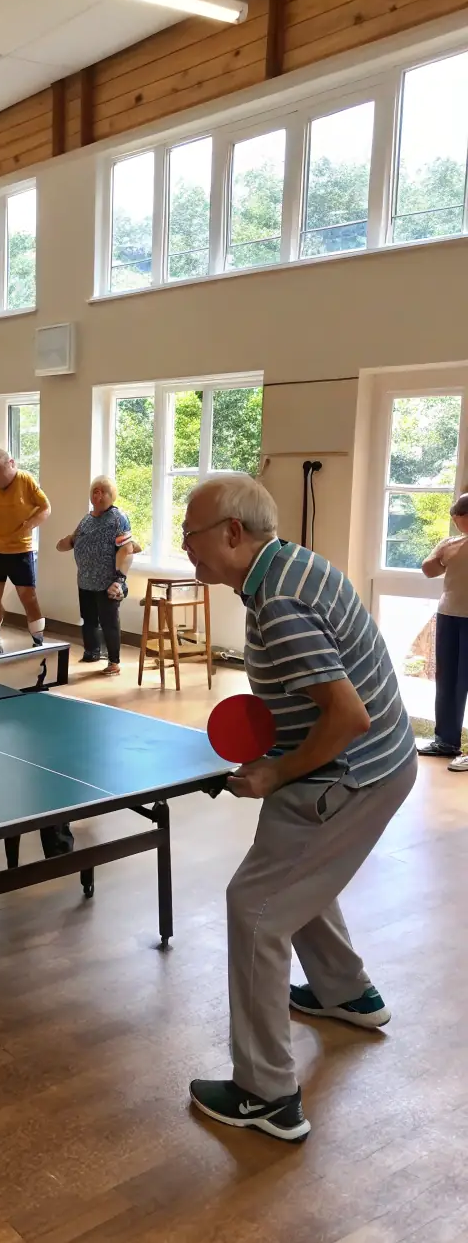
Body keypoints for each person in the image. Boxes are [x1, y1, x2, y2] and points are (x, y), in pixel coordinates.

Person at [180, 475, 417, 1143]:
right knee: (295, 874)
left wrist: (278, 771)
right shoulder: (288, 567)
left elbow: (348, 716)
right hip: (380, 764)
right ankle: (347, 992)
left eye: (192, 535)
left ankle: (267, 1093)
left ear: (232, 531)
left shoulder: (280, 600)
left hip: (351, 773)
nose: (186, 548)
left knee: (255, 908)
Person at [0, 449, 51, 656]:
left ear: (10, 464)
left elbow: (45, 507)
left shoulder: (26, 480)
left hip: (20, 550)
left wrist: (30, 524)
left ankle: (38, 639)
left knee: (28, 596)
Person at [56, 475, 134, 676]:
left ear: (112, 495)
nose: (98, 495)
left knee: (109, 622)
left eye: (103, 491)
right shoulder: (87, 519)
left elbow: (128, 550)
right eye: (95, 491)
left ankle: (114, 661)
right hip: (85, 580)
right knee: (88, 619)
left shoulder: (118, 518)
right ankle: (92, 652)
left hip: (108, 582)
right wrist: (66, 541)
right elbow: (69, 542)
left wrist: (119, 580)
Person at [418, 491, 468, 772]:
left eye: (457, 517)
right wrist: (439, 553)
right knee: (447, 680)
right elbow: (428, 570)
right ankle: (446, 742)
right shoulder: (451, 543)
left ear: (463, 517)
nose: (455, 521)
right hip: (450, 615)